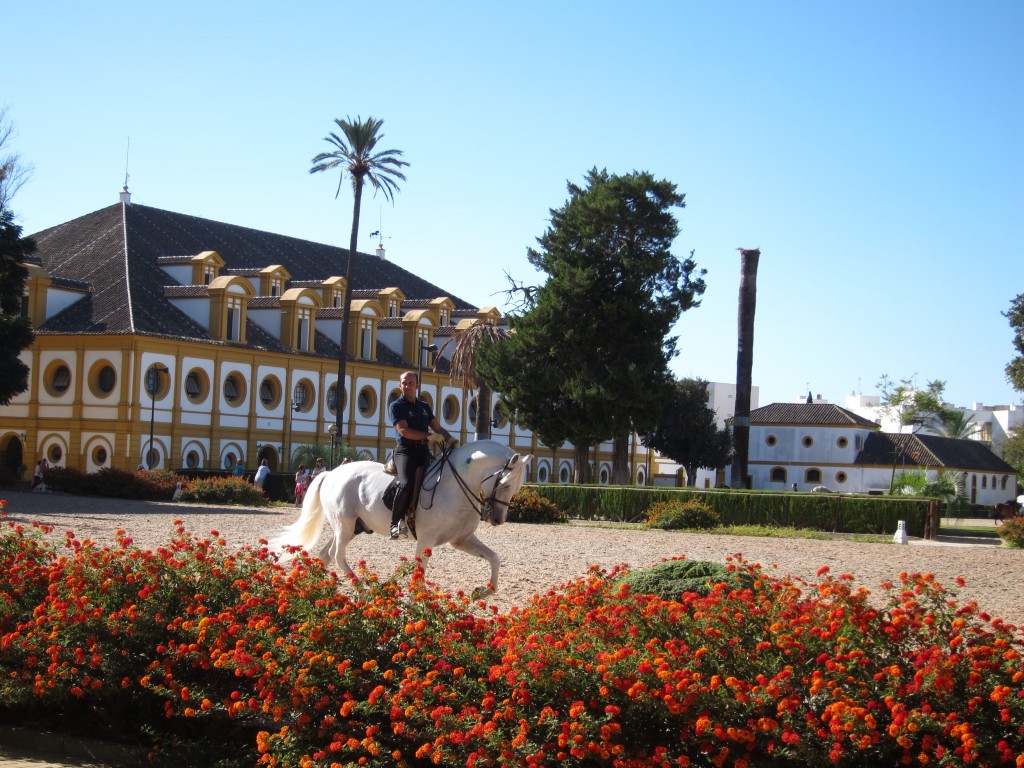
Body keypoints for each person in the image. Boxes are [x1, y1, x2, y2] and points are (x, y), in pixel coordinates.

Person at [387, 370, 453, 539]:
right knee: (406, 483)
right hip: (406, 451)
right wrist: (429, 436)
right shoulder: (396, 406)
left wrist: (450, 439)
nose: (407, 386)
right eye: (404, 383)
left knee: (443, 475)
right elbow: (404, 431)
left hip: (423, 450)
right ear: (399, 385)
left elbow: (437, 427)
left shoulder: (424, 407)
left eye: (410, 383)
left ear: (417, 385)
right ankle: (394, 524)